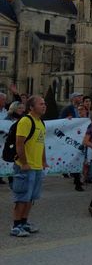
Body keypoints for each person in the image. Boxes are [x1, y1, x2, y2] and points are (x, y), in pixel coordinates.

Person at [10, 95, 47, 237]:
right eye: (41, 104)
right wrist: (24, 162)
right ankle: (16, 225)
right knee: (22, 197)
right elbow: (19, 143)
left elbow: (42, 143)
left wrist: (43, 161)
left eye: (44, 104)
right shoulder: (26, 121)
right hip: (25, 166)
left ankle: (24, 222)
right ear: (31, 107)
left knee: (31, 197)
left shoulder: (41, 123)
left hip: (36, 167)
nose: (44, 106)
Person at [60, 92, 84, 191]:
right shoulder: (67, 109)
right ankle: (77, 180)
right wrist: (66, 120)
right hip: (71, 137)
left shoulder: (82, 109)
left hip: (81, 136)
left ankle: (77, 177)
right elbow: (60, 121)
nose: (81, 98)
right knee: (75, 157)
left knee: (79, 157)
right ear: (73, 98)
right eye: (79, 96)